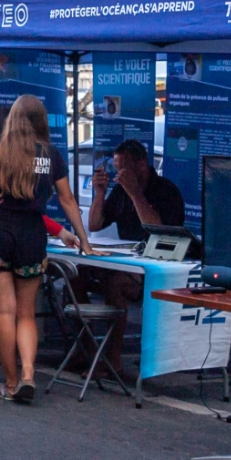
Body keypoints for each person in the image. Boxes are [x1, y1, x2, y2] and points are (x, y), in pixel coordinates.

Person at [0, 94, 92, 404]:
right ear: (41, 121)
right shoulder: (51, 155)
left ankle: (11, 382)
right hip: (32, 234)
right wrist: (83, 239)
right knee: (27, 313)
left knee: (5, 311)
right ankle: (29, 374)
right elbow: (67, 199)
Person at [85, 138, 185, 373]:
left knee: (114, 283)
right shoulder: (120, 191)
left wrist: (135, 193)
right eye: (117, 169)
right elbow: (95, 224)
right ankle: (85, 350)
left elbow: (158, 230)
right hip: (127, 260)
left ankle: (113, 358)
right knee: (76, 275)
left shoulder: (166, 190)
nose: (120, 175)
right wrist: (100, 193)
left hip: (156, 267)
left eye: (124, 169)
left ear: (142, 165)